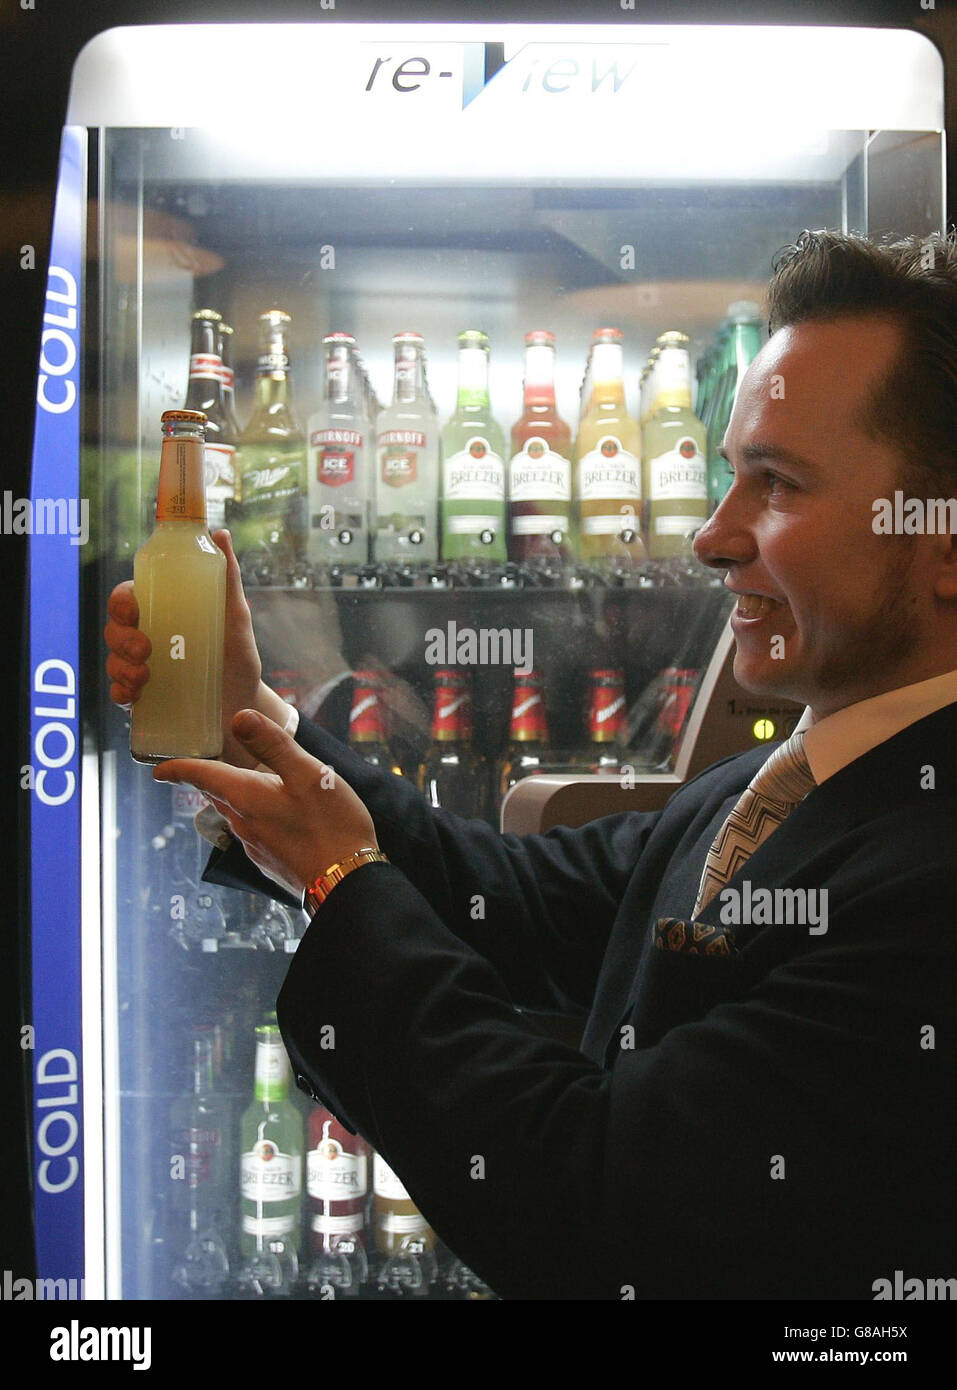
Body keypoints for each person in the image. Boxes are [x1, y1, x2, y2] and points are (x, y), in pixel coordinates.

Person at [105, 230, 957, 1300]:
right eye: (731, 473)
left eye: (777, 486)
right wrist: (249, 716)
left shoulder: (930, 884)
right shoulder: (788, 780)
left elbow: (599, 1204)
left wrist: (340, 882)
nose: (711, 535)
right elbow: (510, 900)